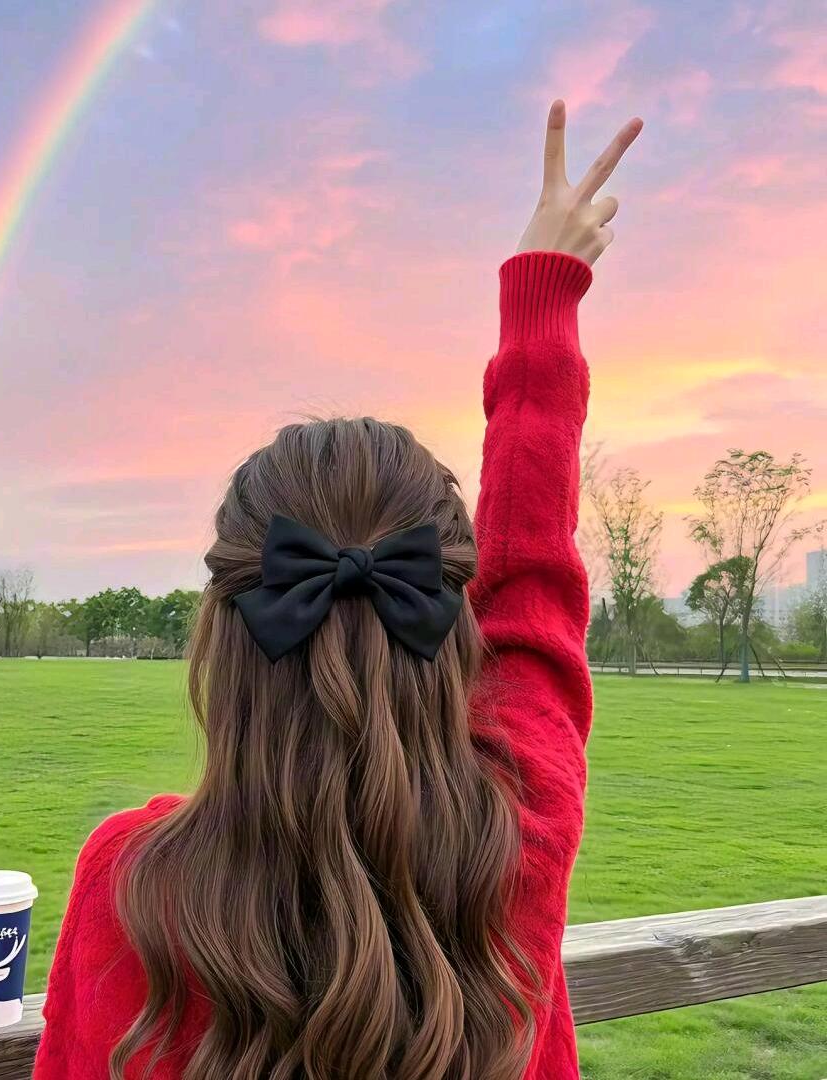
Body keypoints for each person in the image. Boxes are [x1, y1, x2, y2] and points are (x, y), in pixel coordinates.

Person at [33, 99, 643, 1080]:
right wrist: (543, 297)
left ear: (226, 641)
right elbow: (536, 585)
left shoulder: (127, 888)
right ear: (448, 627)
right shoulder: (514, 846)